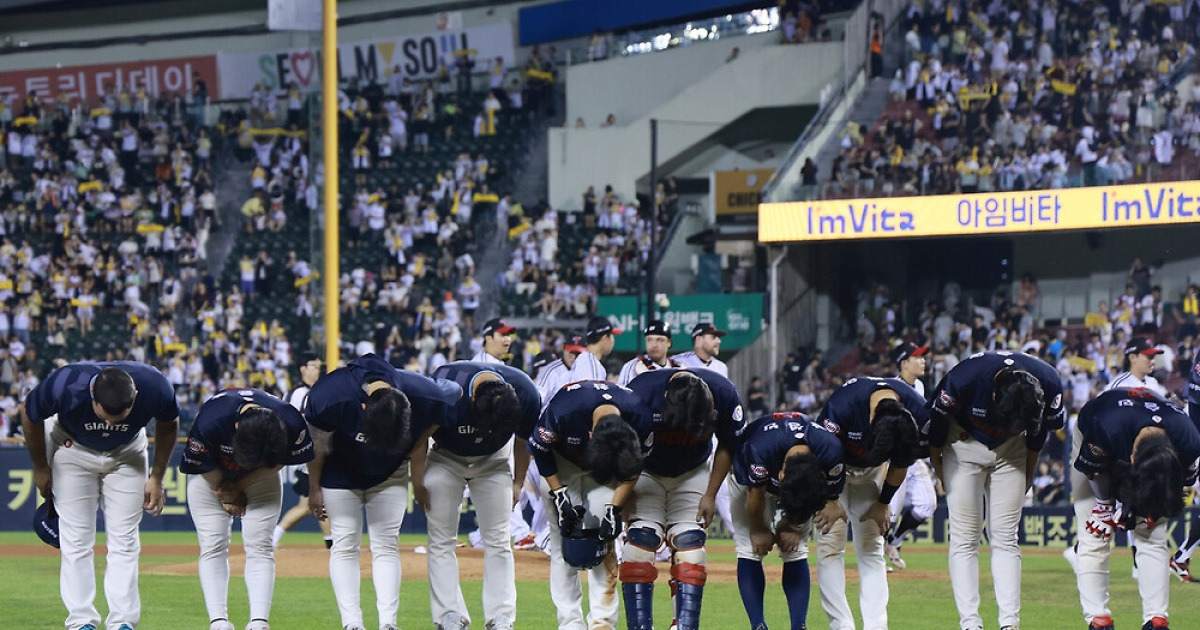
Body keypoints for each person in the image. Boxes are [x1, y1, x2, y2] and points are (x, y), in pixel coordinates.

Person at [303, 354, 462, 630]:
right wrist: (313, 487)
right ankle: (352, 623)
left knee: (386, 545)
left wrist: (419, 476)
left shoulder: (424, 393)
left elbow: (453, 396)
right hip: (340, 473)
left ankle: (388, 623)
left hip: (391, 474)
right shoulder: (330, 395)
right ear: (363, 407)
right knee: (344, 545)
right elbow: (317, 444)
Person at [20, 363, 180, 630]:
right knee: (76, 540)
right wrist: (40, 467)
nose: (109, 423)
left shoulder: (154, 385)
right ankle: (81, 621)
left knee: (125, 540)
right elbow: (29, 413)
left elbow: (169, 423)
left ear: (135, 396)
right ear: (92, 393)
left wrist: (157, 477)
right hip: (73, 451)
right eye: (105, 415)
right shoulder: (66, 383)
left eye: (119, 417)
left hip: (127, 454)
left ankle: (123, 622)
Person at [929, 351, 1065, 630]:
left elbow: (1039, 434)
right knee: (965, 538)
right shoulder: (964, 378)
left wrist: (1028, 471)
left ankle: (1009, 624)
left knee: (1005, 537)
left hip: (1013, 451)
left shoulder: (1049, 381)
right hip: (963, 445)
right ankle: (970, 623)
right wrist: (939, 469)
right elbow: (937, 426)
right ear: (994, 397)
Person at [622, 368, 747, 630]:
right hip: (645, 469)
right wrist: (625, 492)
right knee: (639, 544)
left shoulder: (724, 394)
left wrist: (711, 494)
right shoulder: (640, 393)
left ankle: (684, 626)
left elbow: (728, 444)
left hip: (693, 471)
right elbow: (624, 446)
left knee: (690, 547)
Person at [181, 388, 314, 630]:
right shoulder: (213, 420)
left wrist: (240, 486)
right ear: (238, 429)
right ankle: (219, 621)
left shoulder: (291, 421)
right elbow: (199, 464)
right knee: (212, 545)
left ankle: (259, 622)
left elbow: (278, 462)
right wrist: (226, 494)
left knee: (260, 546)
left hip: (261, 477)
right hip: (209, 475)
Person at [422, 362, 542, 630]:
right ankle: (449, 616)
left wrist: (518, 482)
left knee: (499, 540)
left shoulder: (525, 393)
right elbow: (420, 437)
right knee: (441, 540)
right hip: (445, 458)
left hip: (494, 462)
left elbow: (523, 442)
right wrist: (418, 481)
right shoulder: (443, 387)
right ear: (472, 399)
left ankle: (500, 618)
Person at [528, 379, 654, 630]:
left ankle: (603, 623)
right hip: (562, 464)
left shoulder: (640, 416)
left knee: (604, 539)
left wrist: (614, 509)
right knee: (565, 541)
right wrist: (560, 495)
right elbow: (540, 450)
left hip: (608, 471)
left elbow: (634, 466)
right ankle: (569, 624)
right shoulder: (564, 410)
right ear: (589, 434)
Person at [1072, 388, 1200, 630]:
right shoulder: (1105, 427)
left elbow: (1179, 485)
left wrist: (1150, 510)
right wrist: (1104, 506)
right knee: (1095, 533)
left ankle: (1156, 620)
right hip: (1093, 436)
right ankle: (1098, 619)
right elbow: (1092, 470)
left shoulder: (1190, 442)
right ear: (1131, 458)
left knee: (1152, 535)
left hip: (1148, 445)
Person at [813, 376, 927, 630]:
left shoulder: (916, 408)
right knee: (830, 546)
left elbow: (901, 461)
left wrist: (884, 502)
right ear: (871, 420)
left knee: (872, 548)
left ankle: (876, 626)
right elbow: (819, 453)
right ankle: (841, 625)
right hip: (834, 470)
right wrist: (830, 498)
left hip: (873, 474)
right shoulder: (843, 405)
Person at [729, 411, 846, 630]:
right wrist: (758, 529)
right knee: (750, 548)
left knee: (795, 547)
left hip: (798, 479)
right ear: (780, 475)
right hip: (748, 478)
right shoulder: (759, 449)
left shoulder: (832, 452)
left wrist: (794, 527)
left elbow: (818, 498)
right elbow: (754, 495)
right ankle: (758, 625)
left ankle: (799, 626)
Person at [886, 341, 938, 570]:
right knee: (890, 511)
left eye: (923, 357)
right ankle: (875, 557)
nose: (923, 360)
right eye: (917, 357)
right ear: (904, 363)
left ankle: (894, 541)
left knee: (927, 505)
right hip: (894, 458)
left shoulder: (919, 386)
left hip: (914, 456)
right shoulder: (890, 388)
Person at [273, 353, 331, 548]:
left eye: (318, 365)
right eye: (313, 365)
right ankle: (332, 544)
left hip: (308, 452)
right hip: (306, 455)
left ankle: (273, 538)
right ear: (302, 369)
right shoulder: (300, 393)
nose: (317, 369)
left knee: (308, 505)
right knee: (318, 502)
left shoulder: (308, 391)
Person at [616, 319, 680, 387]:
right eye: (649, 340)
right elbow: (622, 394)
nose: (654, 345)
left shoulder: (678, 367)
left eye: (660, 340)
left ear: (669, 343)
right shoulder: (632, 366)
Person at [537, 334, 585, 403]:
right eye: (571, 352)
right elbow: (537, 401)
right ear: (563, 349)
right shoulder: (550, 371)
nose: (573, 357)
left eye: (577, 353)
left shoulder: (587, 370)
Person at [570, 316, 621, 381]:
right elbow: (590, 390)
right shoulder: (589, 363)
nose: (613, 341)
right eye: (612, 335)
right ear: (605, 338)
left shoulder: (587, 360)